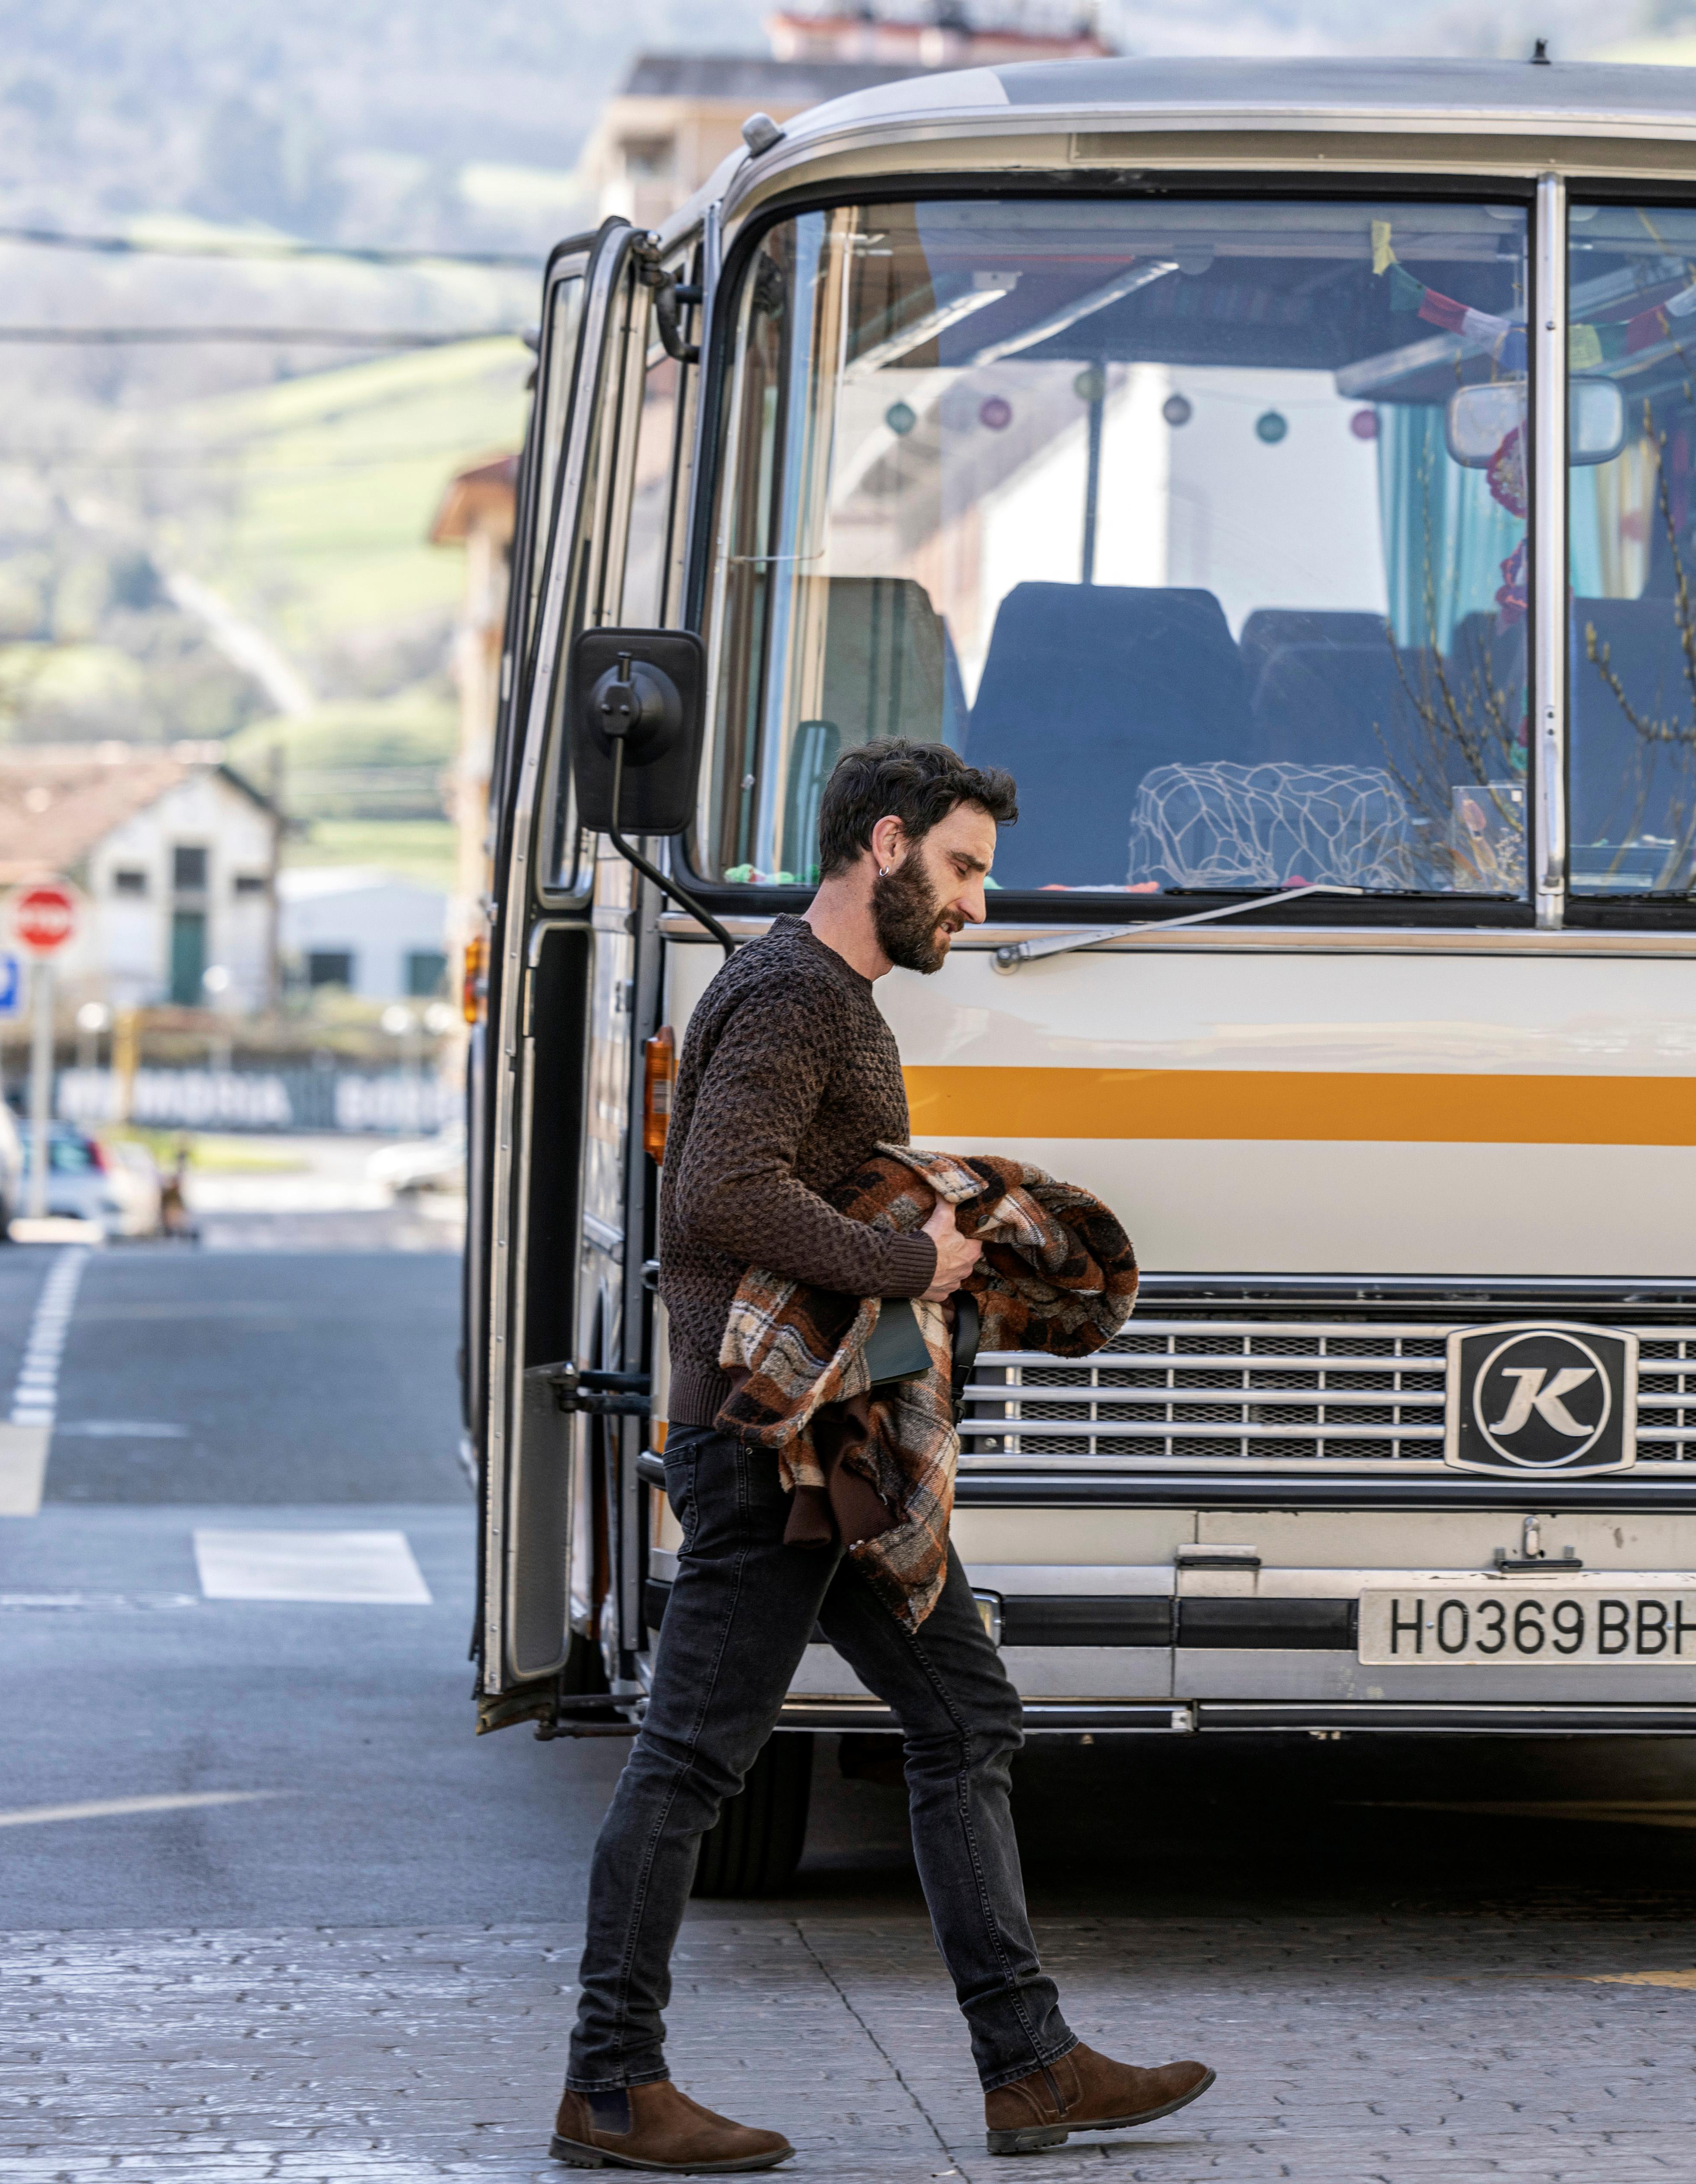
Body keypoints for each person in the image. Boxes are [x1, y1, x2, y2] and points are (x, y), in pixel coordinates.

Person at [553, 740, 1215, 2173]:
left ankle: (1028, 2063)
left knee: (966, 1715)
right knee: (686, 1761)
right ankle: (612, 2082)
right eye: (966, 869)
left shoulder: (822, 993)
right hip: (768, 1450)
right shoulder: (797, 992)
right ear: (889, 843)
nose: (976, 905)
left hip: (829, 1453)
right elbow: (723, 1193)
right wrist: (904, 1251)